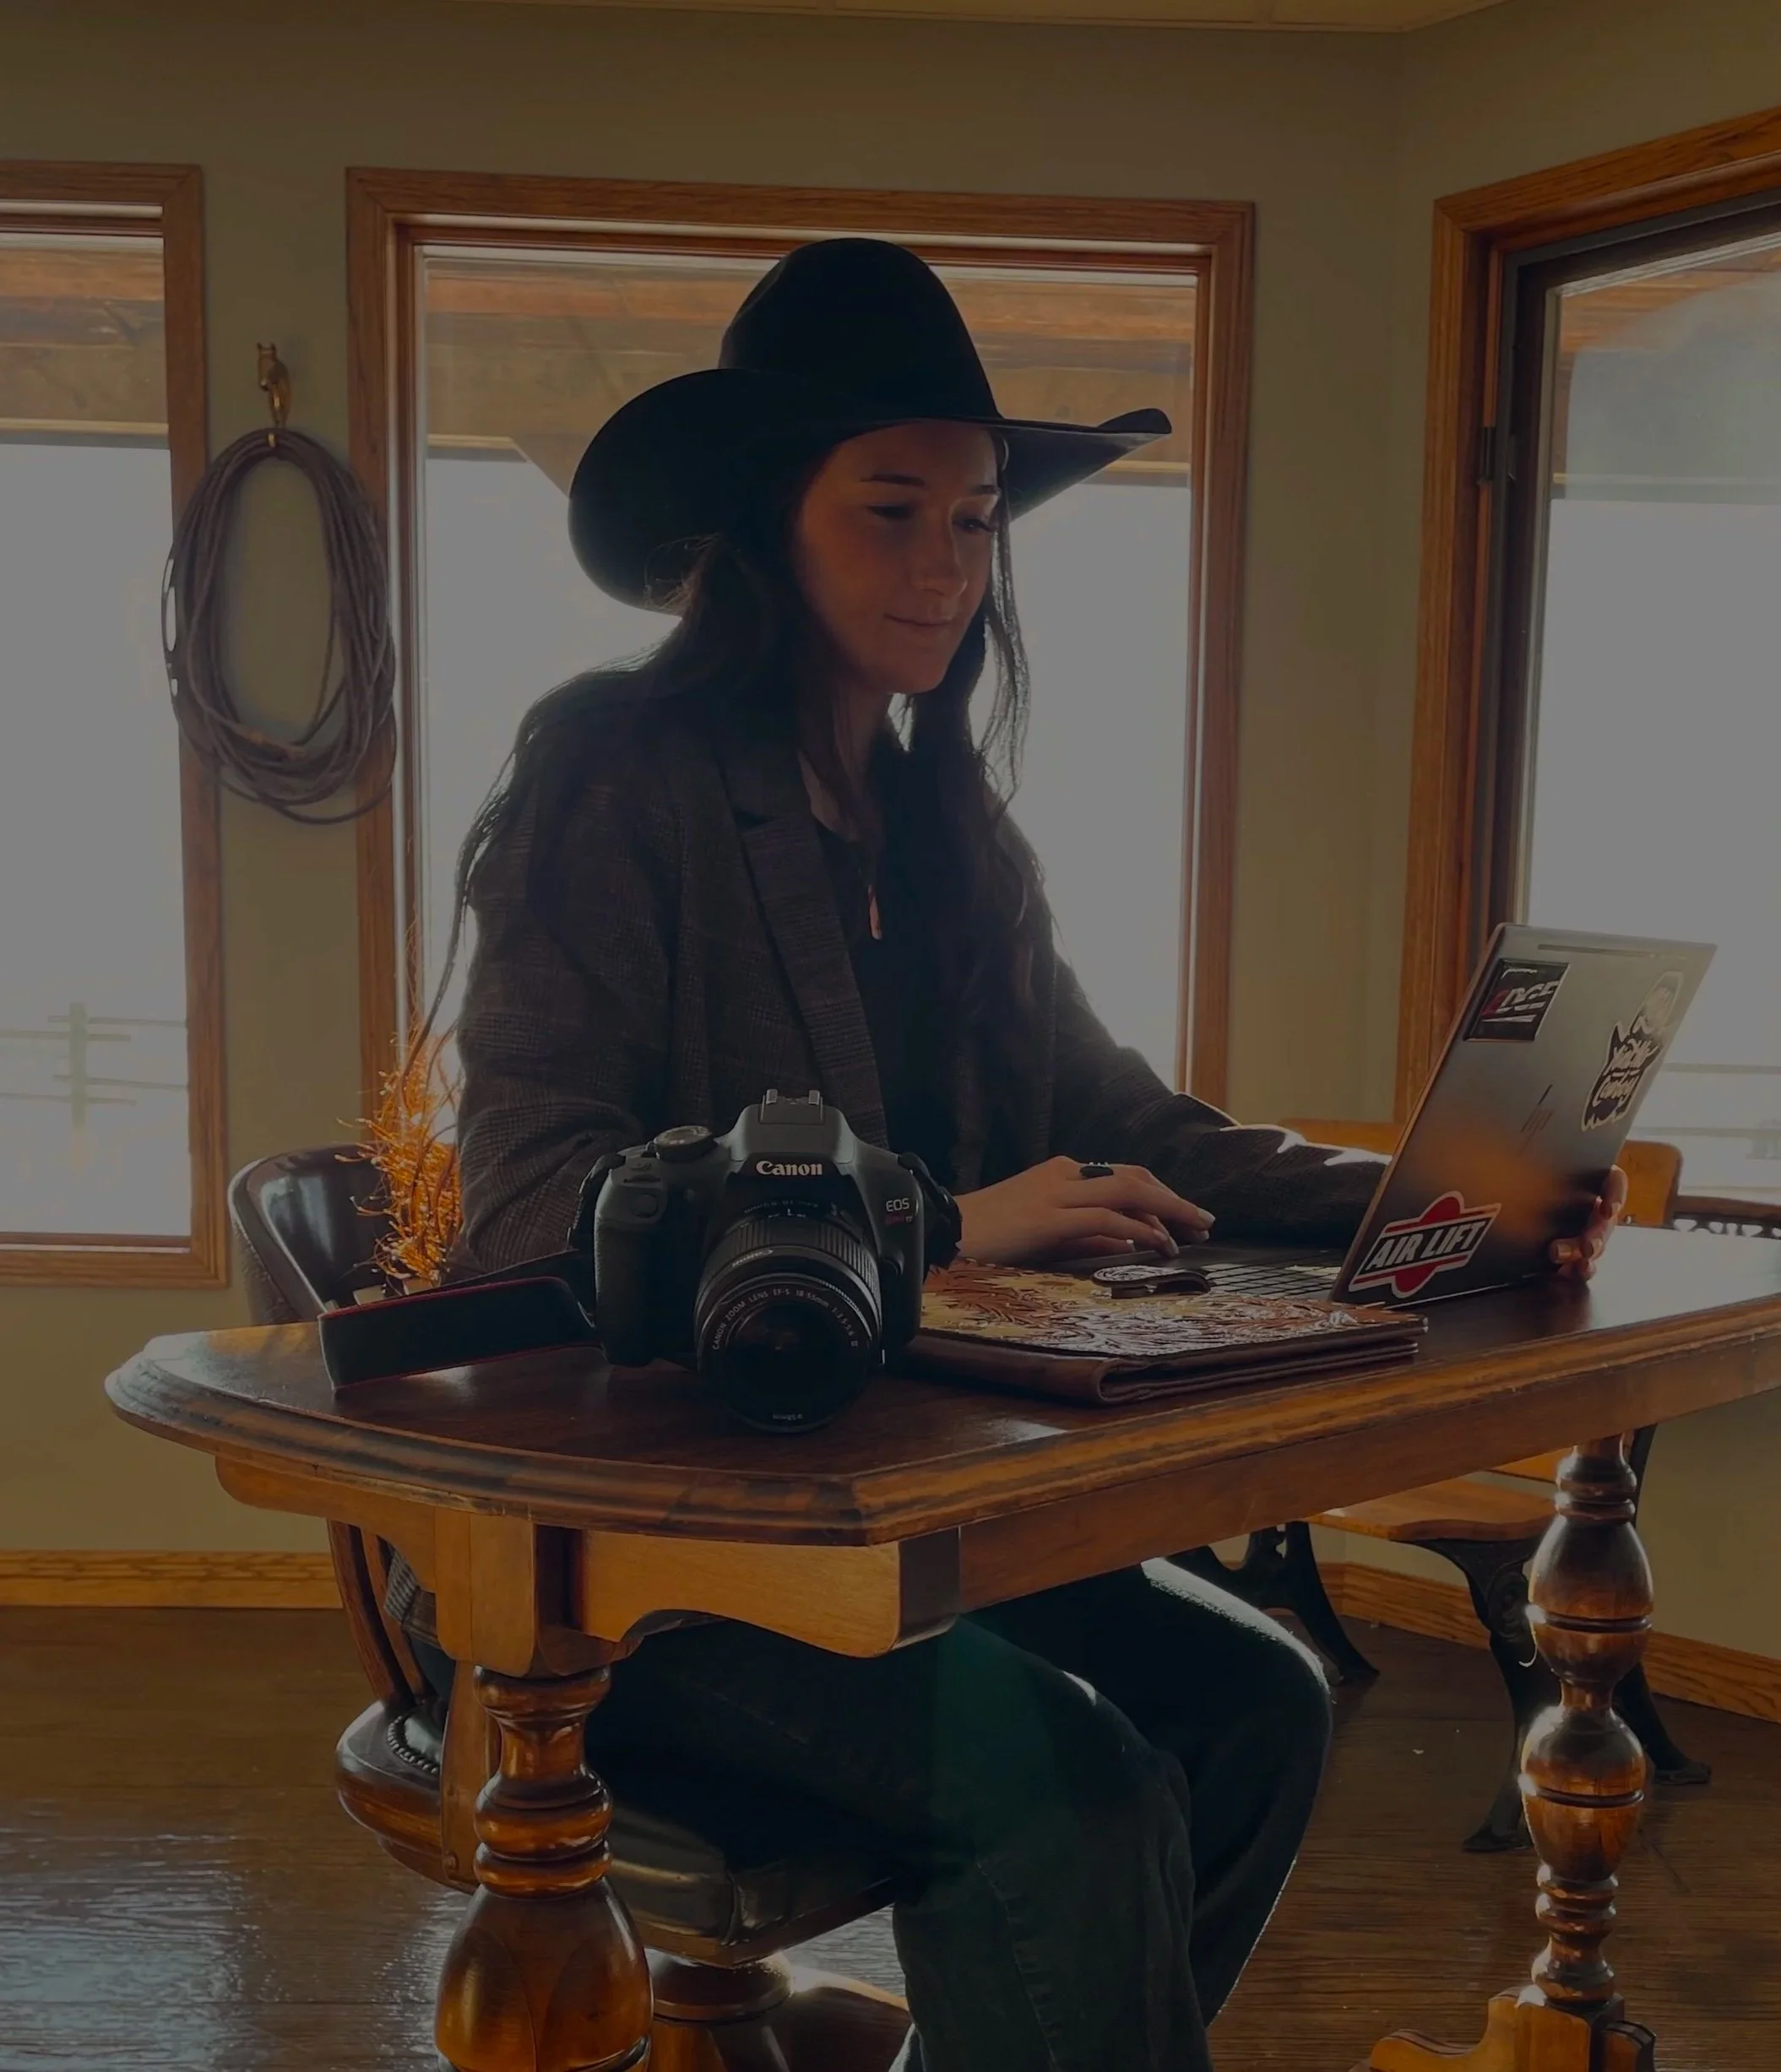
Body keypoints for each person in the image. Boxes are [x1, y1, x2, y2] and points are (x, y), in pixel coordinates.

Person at [424, 239, 1625, 2071]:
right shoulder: (616, 771)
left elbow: (1125, 1119)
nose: (941, 565)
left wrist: (1442, 1199)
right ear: (769, 517)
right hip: (647, 1561)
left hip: (912, 1527)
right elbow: (526, 1202)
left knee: (1259, 1706)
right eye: (891, 508)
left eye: (975, 521)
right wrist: (938, 1222)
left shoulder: (949, 820)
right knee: (1061, 1789)